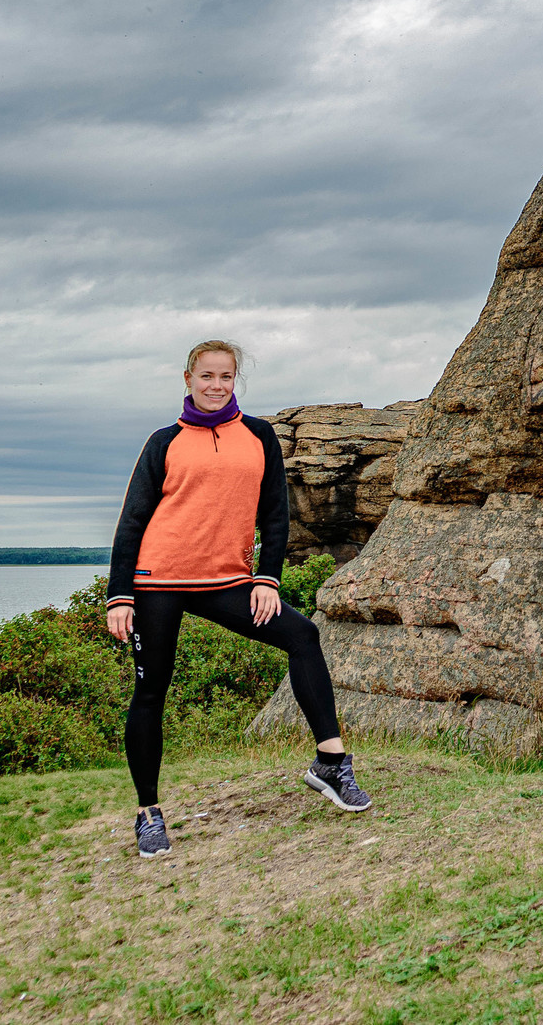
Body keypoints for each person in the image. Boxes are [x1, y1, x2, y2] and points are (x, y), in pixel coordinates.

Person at [105, 339, 370, 857]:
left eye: (225, 377)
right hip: (157, 581)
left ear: (235, 381)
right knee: (151, 691)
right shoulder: (163, 442)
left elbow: (276, 515)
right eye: (206, 376)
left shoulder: (258, 436)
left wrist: (266, 579)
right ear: (188, 379)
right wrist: (120, 595)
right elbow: (133, 519)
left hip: (228, 581)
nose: (216, 385)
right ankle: (148, 813)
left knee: (302, 635)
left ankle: (331, 763)